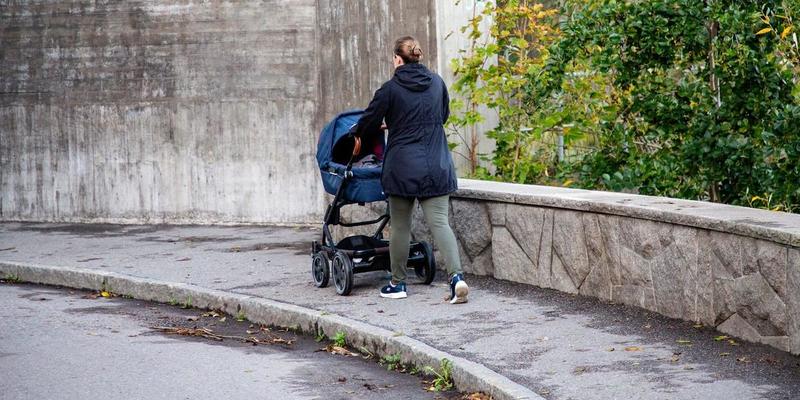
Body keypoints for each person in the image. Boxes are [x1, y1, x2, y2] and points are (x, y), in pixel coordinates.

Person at [354, 36, 469, 304]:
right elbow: (442, 116)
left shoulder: (390, 89)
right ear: (417, 56)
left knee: (401, 226)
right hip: (436, 164)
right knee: (440, 223)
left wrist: (371, 130)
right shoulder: (437, 83)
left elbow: (367, 123)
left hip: (402, 167)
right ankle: (457, 279)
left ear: (397, 59)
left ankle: (398, 283)